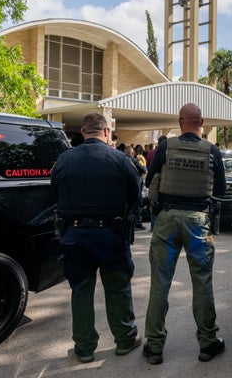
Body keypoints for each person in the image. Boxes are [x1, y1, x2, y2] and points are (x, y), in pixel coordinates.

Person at [51, 113, 142, 363]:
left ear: (83, 131)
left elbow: (55, 191)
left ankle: (84, 347)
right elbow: (135, 196)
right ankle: (125, 339)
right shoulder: (120, 159)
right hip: (112, 235)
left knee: (81, 291)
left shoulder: (64, 159)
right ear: (106, 132)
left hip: (75, 235)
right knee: (118, 288)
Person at [142, 103, 226, 364]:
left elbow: (148, 181)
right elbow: (221, 189)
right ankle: (208, 343)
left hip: (167, 219)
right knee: (202, 282)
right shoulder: (212, 151)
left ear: (180, 122)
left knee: (160, 284)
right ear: (202, 122)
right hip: (198, 221)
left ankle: (154, 347)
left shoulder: (166, 147)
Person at [125, 146, 147, 230]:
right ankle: (137, 223)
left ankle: (128, 223)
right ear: (132, 153)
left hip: (124, 186)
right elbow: (144, 170)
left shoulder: (121, 160)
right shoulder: (135, 161)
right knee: (136, 205)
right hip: (135, 185)